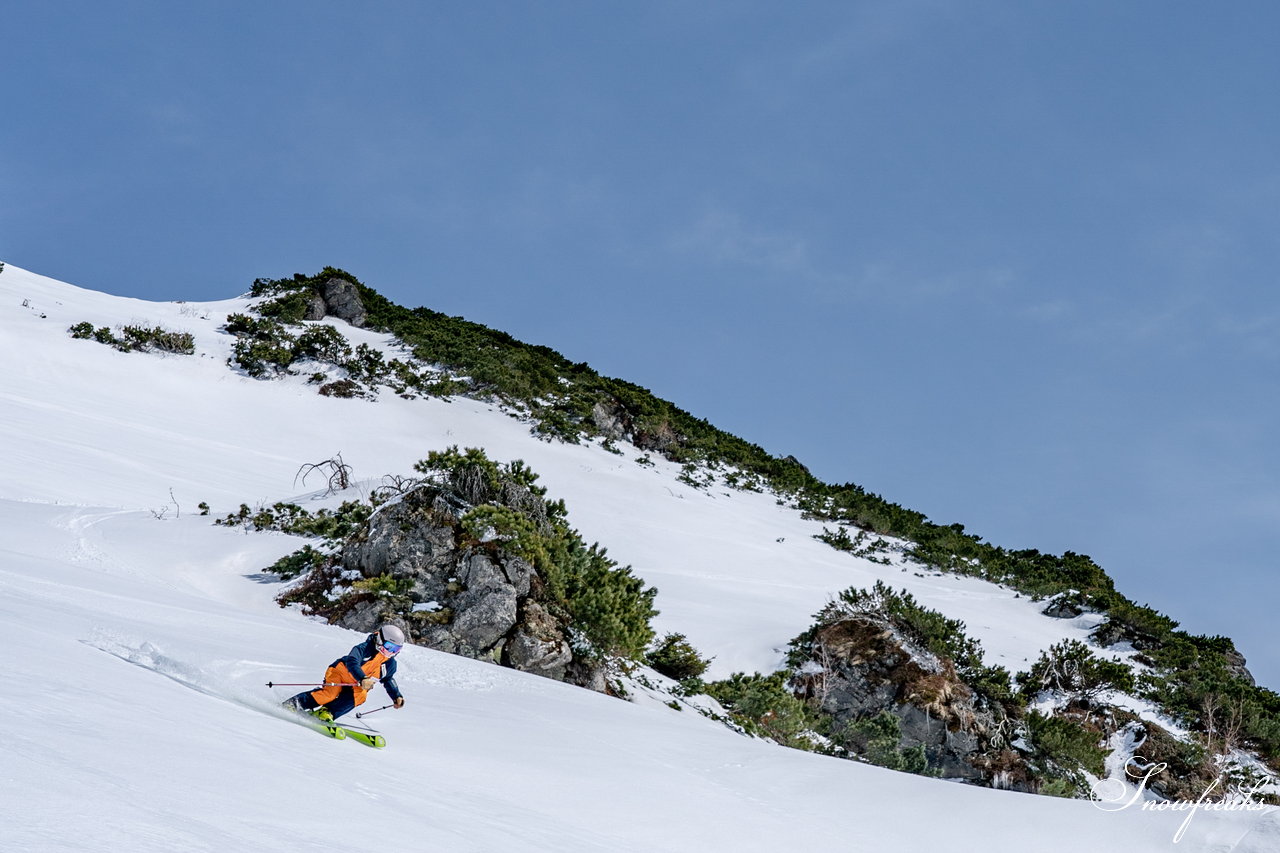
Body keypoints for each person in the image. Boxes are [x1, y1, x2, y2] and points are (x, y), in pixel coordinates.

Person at [285, 625, 407, 721]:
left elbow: (388, 679)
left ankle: (327, 712)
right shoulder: (364, 648)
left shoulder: (389, 664)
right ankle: (295, 704)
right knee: (329, 694)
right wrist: (363, 678)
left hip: (356, 684)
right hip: (339, 672)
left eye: (396, 649)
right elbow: (352, 662)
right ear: (380, 640)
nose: (391, 652)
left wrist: (396, 695)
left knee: (360, 696)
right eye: (389, 646)